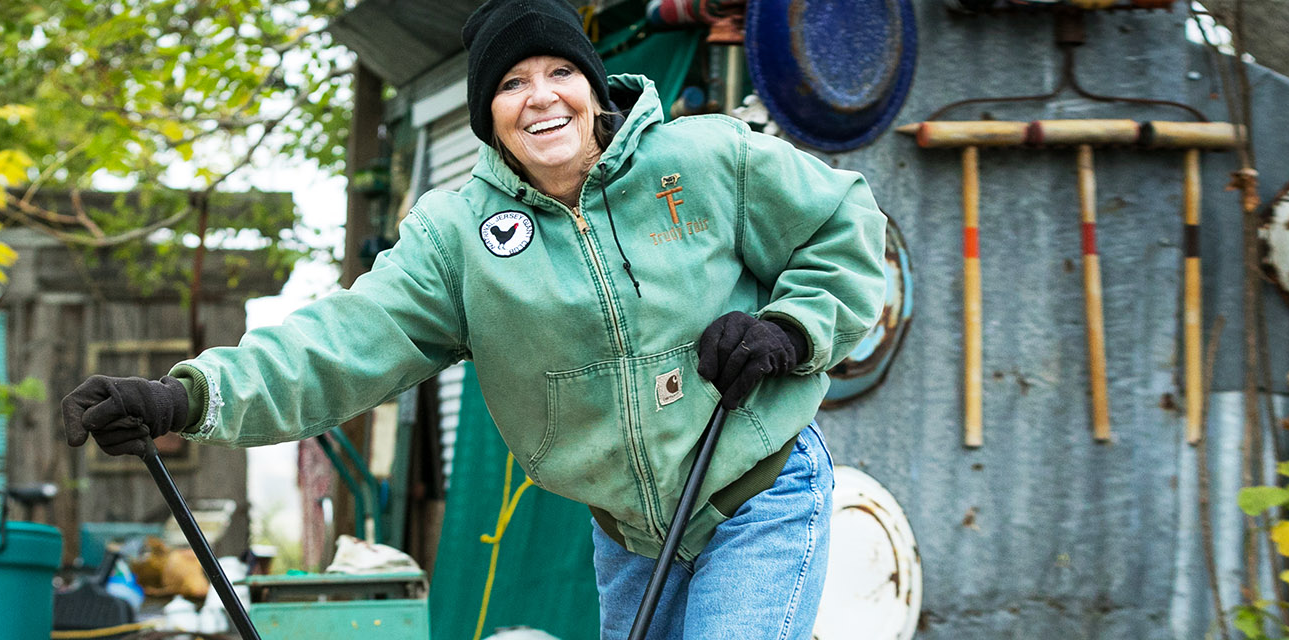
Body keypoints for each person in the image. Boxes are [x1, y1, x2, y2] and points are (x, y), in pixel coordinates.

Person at [61, 0, 887, 637]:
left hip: (760, 489)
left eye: (558, 72)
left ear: (593, 86)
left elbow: (845, 227)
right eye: (509, 84)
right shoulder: (458, 239)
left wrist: (792, 326)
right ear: (488, 117)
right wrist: (190, 397)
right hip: (636, 536)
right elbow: (343, 342)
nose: (540, 99)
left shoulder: (707, 158)